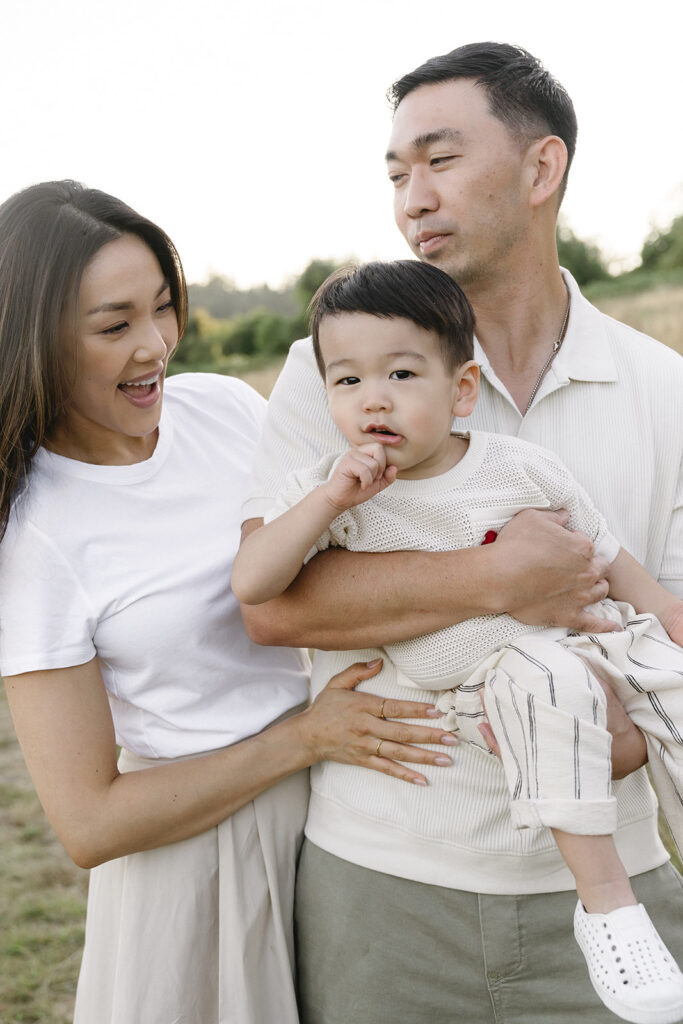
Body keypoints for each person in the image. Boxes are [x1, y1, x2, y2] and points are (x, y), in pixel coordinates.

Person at [238, 43, 683, 1024]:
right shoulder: (336, 377)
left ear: (540, 168)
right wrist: (495, 580)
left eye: (437, 160)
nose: (411, 196)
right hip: (386, 881)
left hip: (620, 876)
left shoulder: (664, 386)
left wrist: (606, 723)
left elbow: (667, 612)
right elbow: (271, 608)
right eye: (395, 172)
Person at [0, 181, 461, 1024]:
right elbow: (88, 823)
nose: (155, 347)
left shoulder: (222, 409)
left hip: (345, 816)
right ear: (37, 340)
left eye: (164, 309)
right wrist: (303, 738)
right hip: (198, 864)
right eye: (114, 326)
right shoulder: (35, 537)